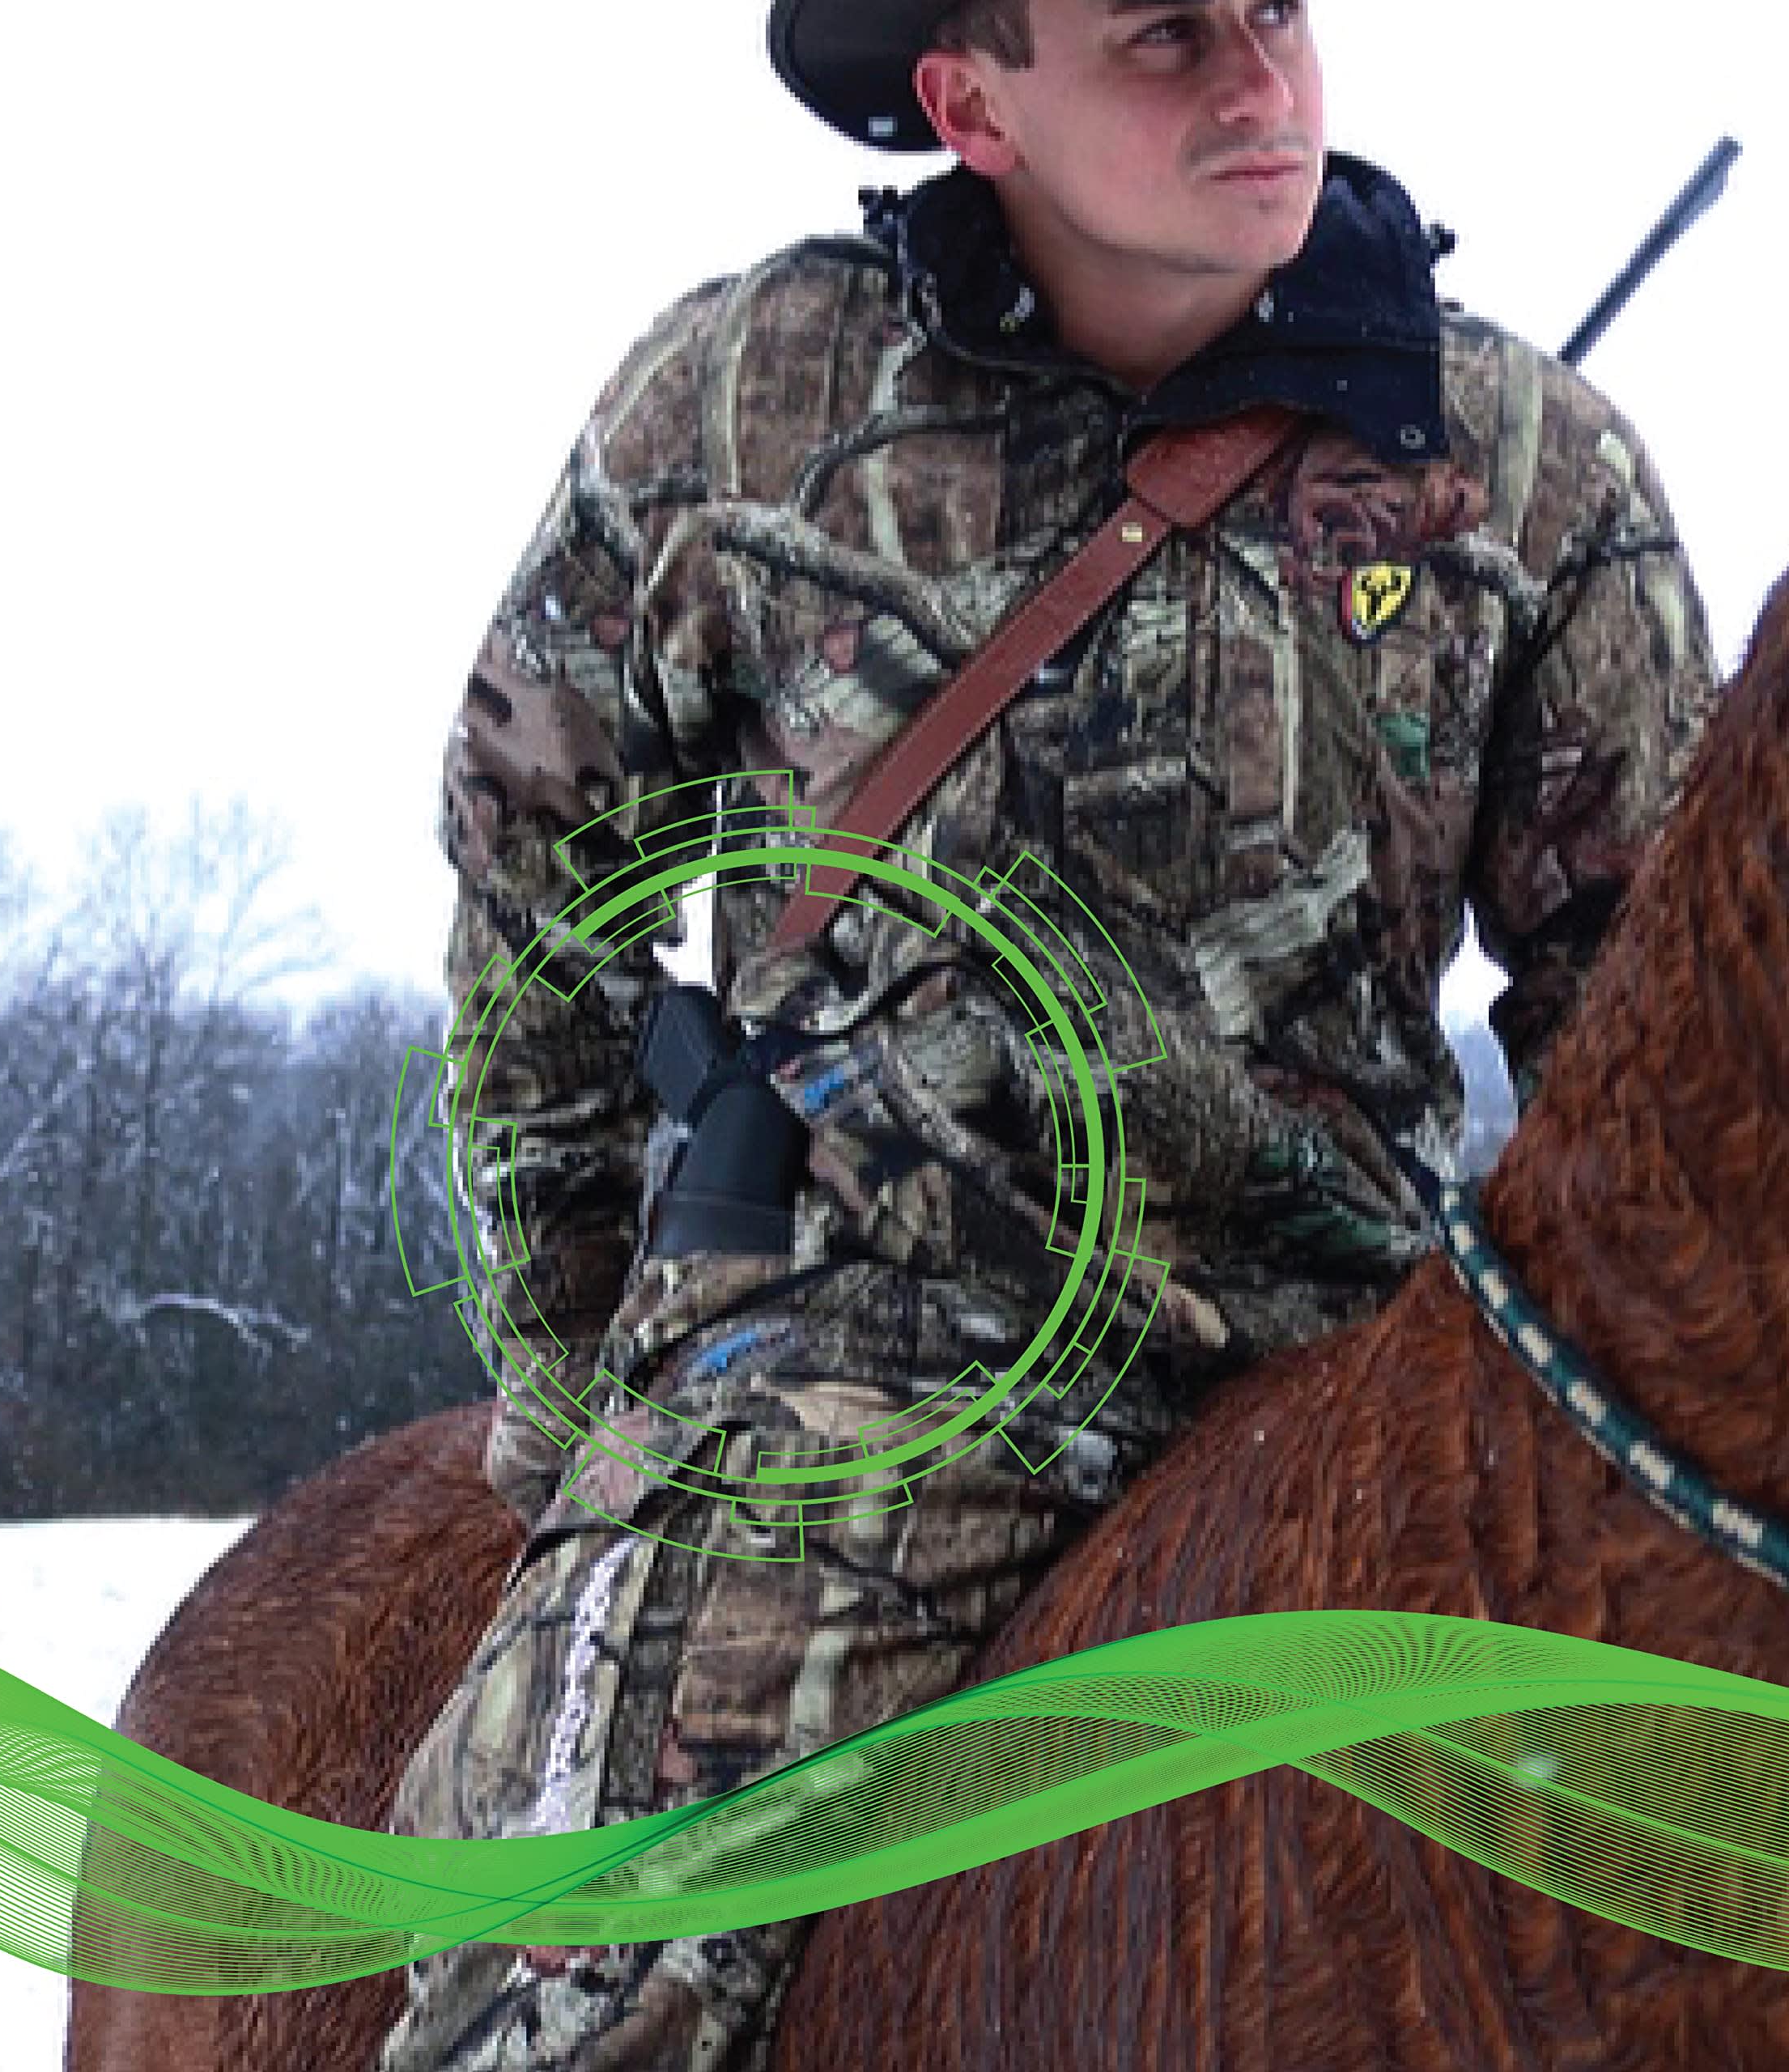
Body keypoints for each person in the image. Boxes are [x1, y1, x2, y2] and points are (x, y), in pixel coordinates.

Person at [379, 2, 1719, 2066]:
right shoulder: (742, 404)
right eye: (1163, 35)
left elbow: (1652, 1050)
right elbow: (532, 851)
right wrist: (576, 1357)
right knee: (565, 1984)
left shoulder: (1526, 467)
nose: (1256, 82)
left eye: (1272, 11)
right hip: (856, 1368)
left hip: (1349, 1341)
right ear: (968, 101)